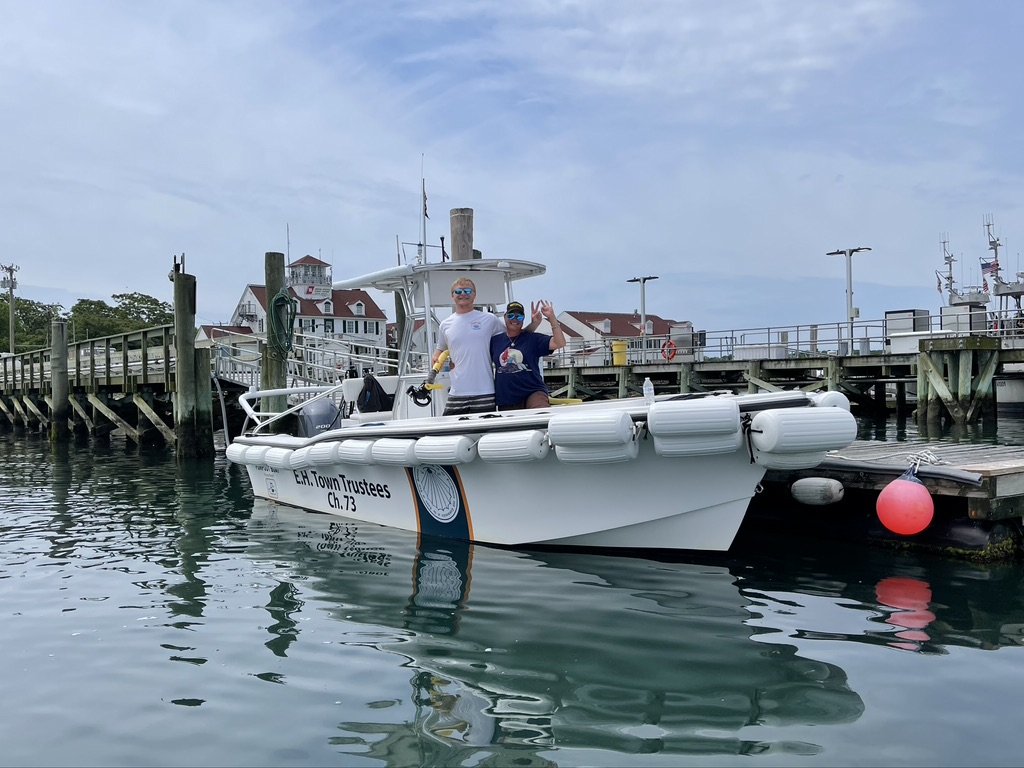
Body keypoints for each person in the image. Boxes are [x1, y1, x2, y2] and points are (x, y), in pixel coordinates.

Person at [432, 278, 537, 416]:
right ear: (452, 296)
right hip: (457, 392)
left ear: (474, 295)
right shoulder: (445, 325)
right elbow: (441, 348)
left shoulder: (489, 319)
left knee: (485, 434)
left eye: (468, 291)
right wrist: (436, 356)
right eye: (458, 291)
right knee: (449, 433)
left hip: (485, 392)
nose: (463, 294)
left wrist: (534, 324)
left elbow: (515, 336)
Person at [490, 299, 566, 410]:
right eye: (511, 316)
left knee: (540, 414)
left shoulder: (533, 339)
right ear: (505, 317)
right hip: (507, 398)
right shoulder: (495, 341)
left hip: (533, 391)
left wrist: (552, 318)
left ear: (523, 319)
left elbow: (560, 343)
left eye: (519, 317)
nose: (515, 319)